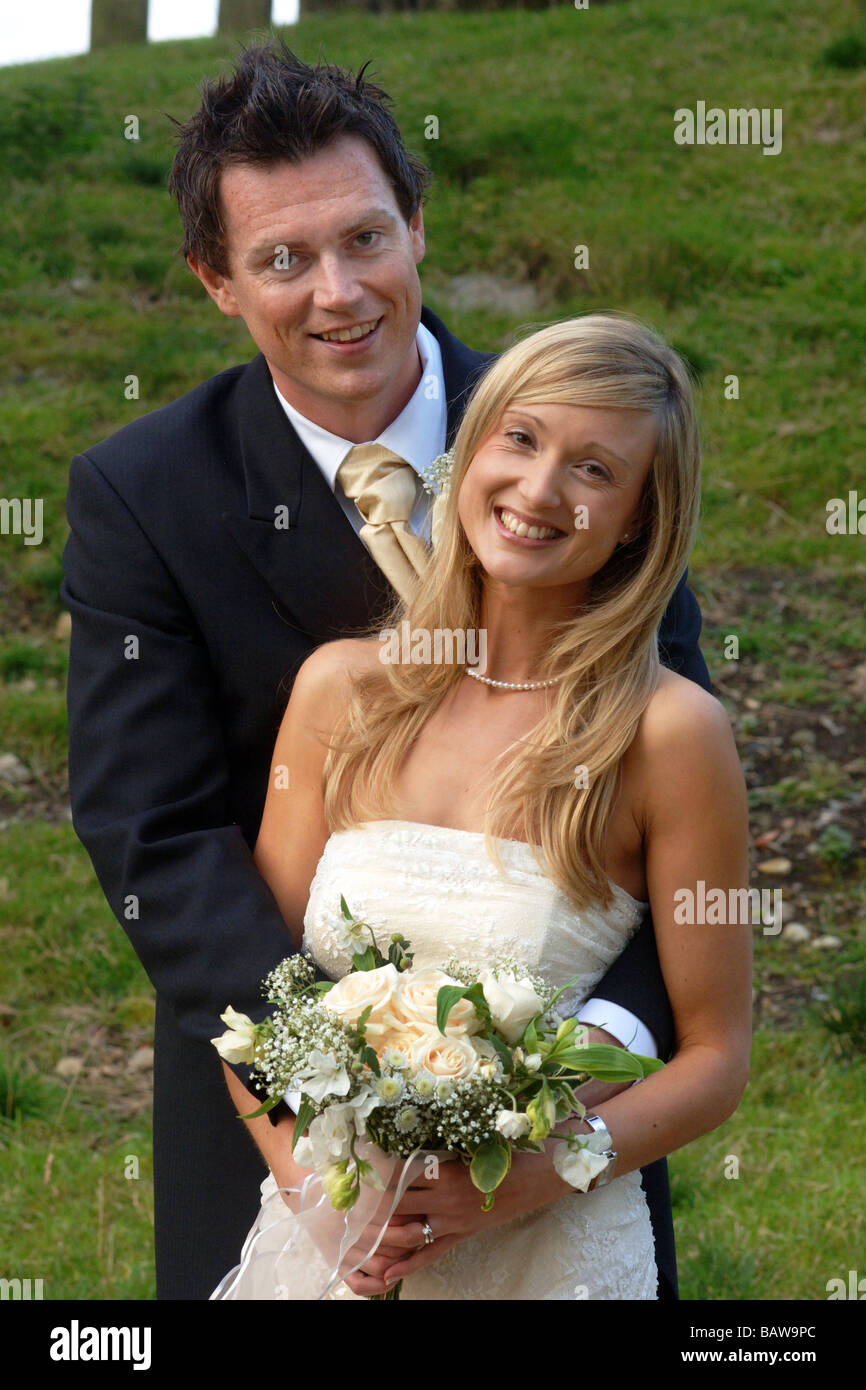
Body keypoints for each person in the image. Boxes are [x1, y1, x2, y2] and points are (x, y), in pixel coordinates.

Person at [62, 41, 710, 1300]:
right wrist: (327, 1116)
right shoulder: (143, 495)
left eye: (365, 238)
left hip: (557, 1111)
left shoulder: (576, 446)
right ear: (217, 282)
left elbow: (667, 788)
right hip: (273, 1110)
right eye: (281, 260)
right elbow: (159, 833)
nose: (337, 292)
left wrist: (565, 1079)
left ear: (415, 226)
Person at [214, 314, 752, 1300]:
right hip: (334, 1243)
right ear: (467, 455)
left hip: (545, 1255)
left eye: (593, 470)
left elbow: (714, 1056)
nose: (538, 490)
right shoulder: (339, 691)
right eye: (520, 438)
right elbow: (254, 997)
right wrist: (327, 1208)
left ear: (637, 514)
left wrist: (507, 1188)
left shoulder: (668, 735)